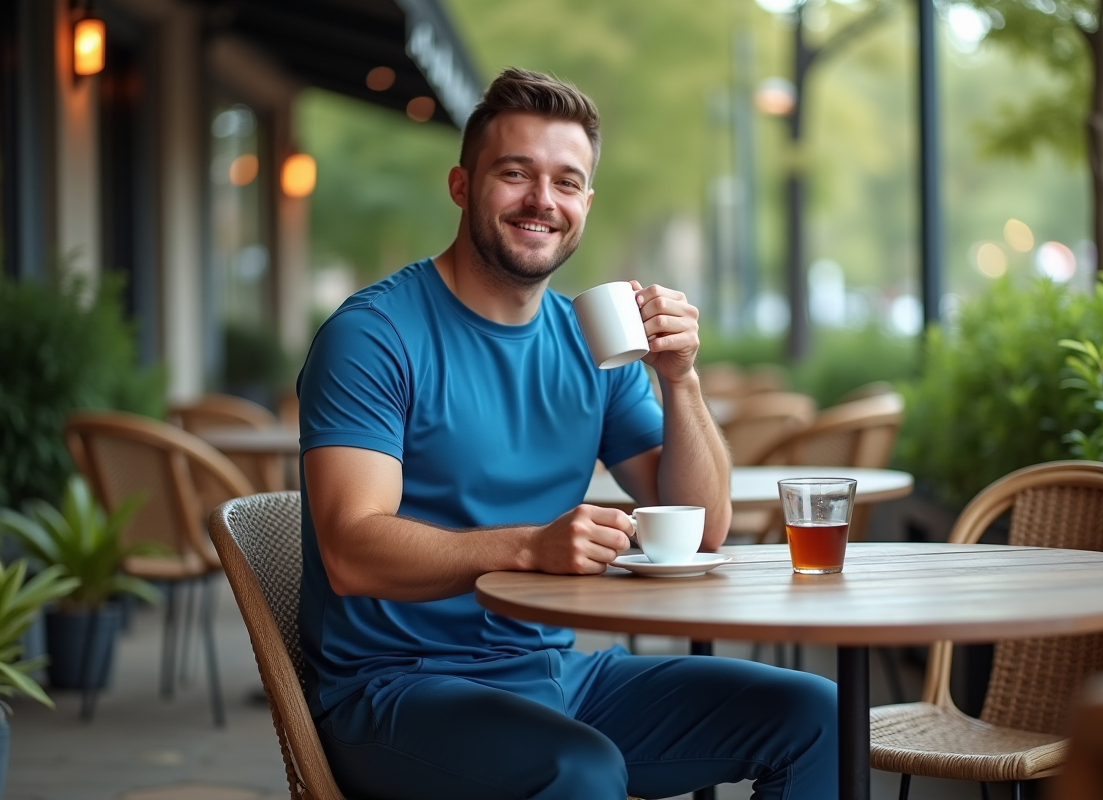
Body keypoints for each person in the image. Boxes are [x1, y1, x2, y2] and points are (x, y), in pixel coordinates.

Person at [297, 67, 836, 800]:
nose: (541, 201)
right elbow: (350, 552)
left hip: (558, 676)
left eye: (566, 182)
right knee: (580, 768)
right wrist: (529, 546)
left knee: (813, 715)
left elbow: (704, 528)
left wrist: (680, 379)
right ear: (462, 186)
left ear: (586, 202)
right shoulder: (374, 335)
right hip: (398, 688)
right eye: (515, 174)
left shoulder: (592, 341)